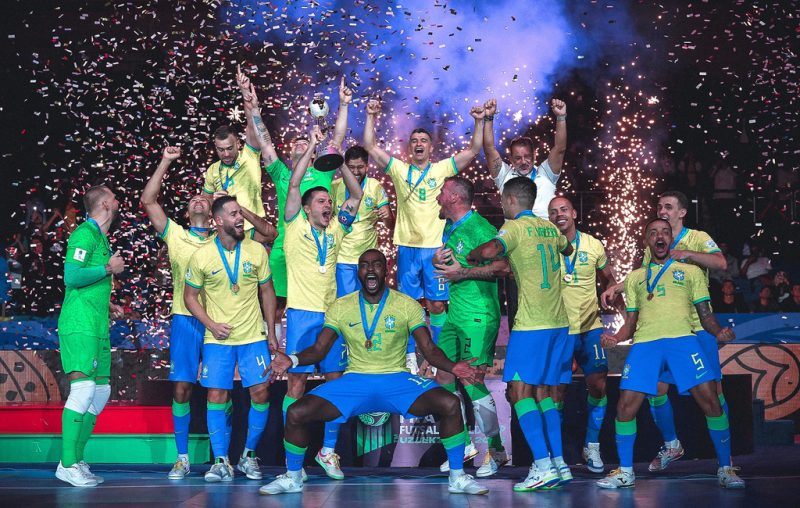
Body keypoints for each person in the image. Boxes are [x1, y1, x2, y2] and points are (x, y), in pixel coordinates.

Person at [258, 249, 489, 496]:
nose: (370, 269)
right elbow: (318, 349)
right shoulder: (341, 306)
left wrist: (454, 367)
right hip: (355, 381)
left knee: (450, 403)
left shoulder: (407, 305)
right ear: (358, 271)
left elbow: (429, 349)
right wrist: (291, 359)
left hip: (397, 380)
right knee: (296, 412)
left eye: (377, 264)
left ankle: (457, 476)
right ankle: (293, 477)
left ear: (386, 270)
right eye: (365, 265)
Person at [140, 146, 276, 479]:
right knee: (184, 389)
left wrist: (234, 206)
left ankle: (229, 456)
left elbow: (267, 234)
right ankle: (184, 457)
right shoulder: (177, 235)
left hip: (232, 322)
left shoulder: (233, 237)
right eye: (193, 200)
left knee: (224, 391)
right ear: (188, 213)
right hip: (189, 319)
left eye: (205, 198)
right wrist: (167, 160)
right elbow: (148, 201)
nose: (199, 200)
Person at [596, 218, 744, 490]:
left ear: (670, 239)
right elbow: (630, 324)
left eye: (664, 231)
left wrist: (718, 332)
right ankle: (626, 472)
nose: (659, 236)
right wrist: (614, 338)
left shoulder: (690, 273)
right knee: (625, 408)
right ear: (647, 241)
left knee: (711, 402)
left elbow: (705, 315)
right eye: (653, 233)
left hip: (683, 342)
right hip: (645, 345)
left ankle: (726, 468)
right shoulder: (636, 278)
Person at [467, 177, 575, 491]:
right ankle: (560, 463)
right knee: (544, 393)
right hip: (559, 324)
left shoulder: (513, 227)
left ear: (512, 201)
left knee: (517, 391)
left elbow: (491, 249)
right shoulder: (550, 228)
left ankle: (542, 465)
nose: (501, 205)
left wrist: (474, 255)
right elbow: (567, 249)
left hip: (532, 325)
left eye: (503, 200)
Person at [362, 99, 484, 354]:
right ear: (410, 147)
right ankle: (409, 356)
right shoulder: (399, 169)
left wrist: (479, 121)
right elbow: (370, 146)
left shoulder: (441, 169)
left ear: (431, 147)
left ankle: (439, 355)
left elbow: (473, 150)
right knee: (409, 305)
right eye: (415, 141)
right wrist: (371, 115)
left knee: (437, 305)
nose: (419, 144)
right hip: (407, 247)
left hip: (435, 249)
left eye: (423, 141)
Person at [279, 126, 364, 480]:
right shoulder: (294, 226)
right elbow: (295, 185)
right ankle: (292, 463)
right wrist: (312, 147)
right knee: (296, 386)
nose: (328, 205)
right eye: (322, 201)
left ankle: (328, 451)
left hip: (332, 319)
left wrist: (341, 162)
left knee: (334, 381)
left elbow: (356, 195)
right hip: (300, 315)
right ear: (307, 208)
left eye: (330, 201)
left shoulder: (337, 230)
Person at [243, 75, 350, 354]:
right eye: (296, 143)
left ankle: (323, 353)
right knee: (277, 303)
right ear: (290, 152)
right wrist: (254, 109)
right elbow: (265, 144)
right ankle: (275, 350)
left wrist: (344, 104)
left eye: (306, 143)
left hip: (319, 247)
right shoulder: (282, 173)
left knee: (323, 303)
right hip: (286, 245)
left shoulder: (323, 171)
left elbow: (337, 141)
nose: (301, 144)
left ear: (314, 154)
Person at [183, 196, 278, 482]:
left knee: (261, 392)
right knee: (216, 394)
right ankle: (221, 461)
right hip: (218, 338)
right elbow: (190, 298)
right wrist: (210, 324)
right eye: (235, 214)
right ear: (218, 221)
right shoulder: (201, 256)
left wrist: (271, 331)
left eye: (241, 213)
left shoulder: (256, 250)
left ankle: (249, 456)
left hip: (253, 336)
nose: (241, 218)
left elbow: (268, 291)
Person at [431, 176, 506, 477]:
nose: (438, 195)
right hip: (455, 315)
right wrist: (439, 257)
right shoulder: (451, 226)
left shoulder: (482, 229)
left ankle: (497, 450)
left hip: (478, 315)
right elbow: (453, 261)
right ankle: (462, 445)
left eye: (441, 191)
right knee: (443, 376)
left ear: (454, 198)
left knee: (472, 380)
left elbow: (503, 267)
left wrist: (463, 272)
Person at [56, 184, 125, 487]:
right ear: (106, 204)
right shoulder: (84, 233)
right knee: (83, 390)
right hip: (79, 324)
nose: (119, 201)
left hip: (97, 326)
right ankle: (67, 464)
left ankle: (76, 459)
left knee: (100, 392)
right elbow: (72, 276)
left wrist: (108, 304)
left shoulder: (101, 237)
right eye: (115, 198)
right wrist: (108, 267)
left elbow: (88, 278)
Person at [482, 98, 567, 333]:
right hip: (518, 249)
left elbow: (559, 148)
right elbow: (489, 149)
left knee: (553, 300)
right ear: (511, 159)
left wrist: (561, 117)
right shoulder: (504, 177)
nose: (523, 161)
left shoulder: (546, 174)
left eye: (527, 156)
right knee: (518, 305)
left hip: (546, 248)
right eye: (517, 158)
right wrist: (489, 118)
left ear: (534, 154)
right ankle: (519, 349)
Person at [548, 196, 620, 473]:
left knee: (598, 385)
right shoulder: (546, 245)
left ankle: (591, 444)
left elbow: (609, 279)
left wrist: (613, 293)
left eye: (564, 209)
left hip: (590, 327)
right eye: (553, 212)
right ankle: (555, 454)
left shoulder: (593, 245)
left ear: (574, 212)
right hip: (559, 329)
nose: (559, 214)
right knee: (556, 391)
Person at [201, 66, 266, 232]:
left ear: (238, 143)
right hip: (225, 232)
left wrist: (245, 93)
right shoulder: (212, 170)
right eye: (220, 150)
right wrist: (212, 201)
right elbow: (206, 199)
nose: (226, 154)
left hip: (252, 229)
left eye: (230, 148)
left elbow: (252, 125)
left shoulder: (249, 155)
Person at [331, 145, 394, 295]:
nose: (355, 172)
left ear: (367, 166)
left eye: (360, 167)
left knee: (368, 301)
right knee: (344, 302)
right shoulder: (334, 187)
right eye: (351, 167)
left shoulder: (375, 186)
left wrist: (387, 216)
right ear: (344, 166)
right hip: (342, 258)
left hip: (368, 259)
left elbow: (390, 225)